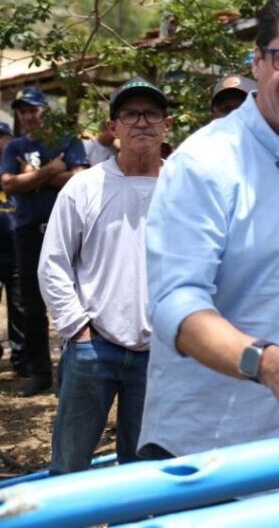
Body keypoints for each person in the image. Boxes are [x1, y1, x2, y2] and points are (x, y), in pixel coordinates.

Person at [138, 0, 279, 458]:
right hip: (204, 445)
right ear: (257, 61)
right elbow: (174, 305)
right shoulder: (203, 162)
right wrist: (267, 362)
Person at [38, 78, 170, 474]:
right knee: (70, 463)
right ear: (113, 128)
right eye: (131, 114)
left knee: (144, 470)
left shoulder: (184, 186)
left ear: (168, 124)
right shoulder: (85, 186)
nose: (142, 122)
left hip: (159, 351)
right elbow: (53, 263)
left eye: (151, 114)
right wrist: (78, 328)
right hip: (93, 347)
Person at [0, 86, 89, 397]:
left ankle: (73, 373)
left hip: (66, 232)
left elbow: (80, 179)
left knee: (75, 302)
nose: (28, 116)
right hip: (26, 234)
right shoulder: (15, 147)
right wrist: (52, 170)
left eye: (33, 110)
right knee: (31, 305)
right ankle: (40, 373)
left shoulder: (67, 141)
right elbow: (8, 185)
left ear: (45, 111)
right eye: (23, 111)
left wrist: (32, 176)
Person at [0, 122, 23, 374]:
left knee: (20, 307)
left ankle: (21, 359)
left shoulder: (21, 168)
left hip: (17, 248)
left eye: (2, 137)